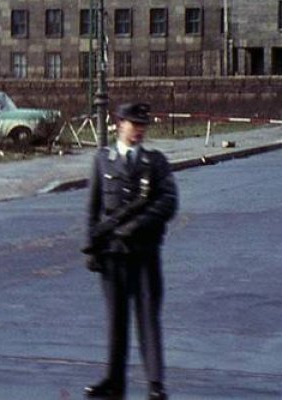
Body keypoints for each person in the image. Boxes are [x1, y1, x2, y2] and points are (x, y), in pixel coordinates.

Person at [83, 102, 178, 400]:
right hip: (112, 254)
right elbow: (93, 209)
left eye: (143, 126)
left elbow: (168, 202)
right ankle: (113, 380)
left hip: (144, 253)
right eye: (134, 124)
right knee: (116, 320)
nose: (139, 130)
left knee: (148, 316)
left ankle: (154, 384)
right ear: (119, 123)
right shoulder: (103, 160)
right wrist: (92, 249)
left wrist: (137, 225)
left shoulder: (155, 162)